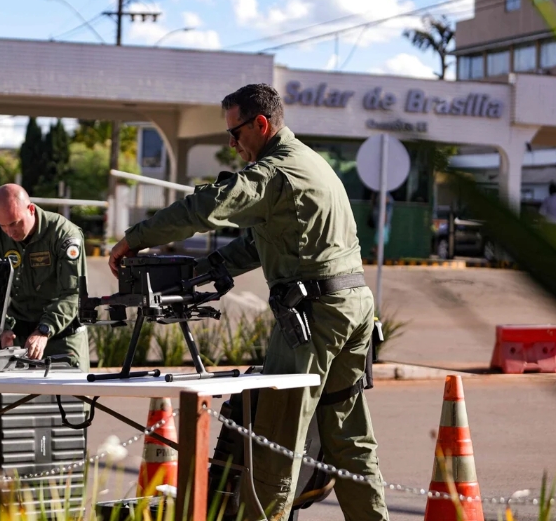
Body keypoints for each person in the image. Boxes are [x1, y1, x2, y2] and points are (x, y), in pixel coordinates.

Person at [109, 84, 388, 521]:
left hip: (312, 317)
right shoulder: (312, 164)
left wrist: (134, 240)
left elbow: (207, 207)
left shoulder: (275, 172)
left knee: (275, 442)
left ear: (261, 124)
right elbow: (264, 243)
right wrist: (206, 270)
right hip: (352, 309)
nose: (232, 144)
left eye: (236, 133)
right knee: (348, 437)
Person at [0, 184, 89, 371]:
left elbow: (73, 293)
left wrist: (44, 330)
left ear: (31, 210)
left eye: (14, 223)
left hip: (62, 337)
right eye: (2, 225)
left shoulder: (63, 234)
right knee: (11, 398)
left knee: (72, 399)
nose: (10, 232)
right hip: (16, 339)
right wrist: (2, 329)